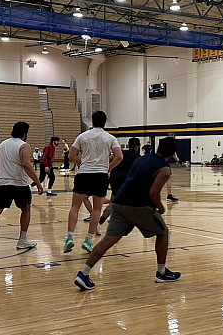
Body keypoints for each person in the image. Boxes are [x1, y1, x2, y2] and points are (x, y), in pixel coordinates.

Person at [74, 137, 181, 291]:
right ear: (172, 152)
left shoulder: (142, 159)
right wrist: (161, 208)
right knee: (163, 232)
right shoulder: (164, 169)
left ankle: (83, 274)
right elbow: (153, 193)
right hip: (138, 206)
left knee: (107, 240)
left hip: (119, 203)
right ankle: (161, 272)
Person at [0, 122, 43, 253]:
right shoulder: (24, 145)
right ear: (25, 133)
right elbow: (26, 165)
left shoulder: (1, 145)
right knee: (25, 209)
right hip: (19, 184)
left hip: (1, 184)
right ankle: (22, 239)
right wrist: (38, 183)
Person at [64, 111, 123, 253]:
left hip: (84, 174)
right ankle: (89, 240)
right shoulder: (110, 138)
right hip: (100, 176)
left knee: (75, 207)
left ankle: (70, 237)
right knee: (97, 209)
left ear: (92, 121)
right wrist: (108, 168)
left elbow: (71, 155)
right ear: (105, 122)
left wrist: (80, 163)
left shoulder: (82, 136)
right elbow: (119, 156)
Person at [99, 137, 141, 225]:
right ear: (137, 146)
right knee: (115, 203)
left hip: (114, 178)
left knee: (114, 201)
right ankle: (99, 222)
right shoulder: (137, 157)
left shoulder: (121, 153)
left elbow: (108, 158)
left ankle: (110, 219)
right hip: (124, 181)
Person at [165, 132, 179, 202]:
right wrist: (176, 157)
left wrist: (176, 157)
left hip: (163, 163)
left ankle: (169, 195)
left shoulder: (164, 143)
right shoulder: (169, 144)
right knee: (169, 179)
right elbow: (173, 152)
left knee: (168, 179)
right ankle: (169, 195)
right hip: (165, 163)